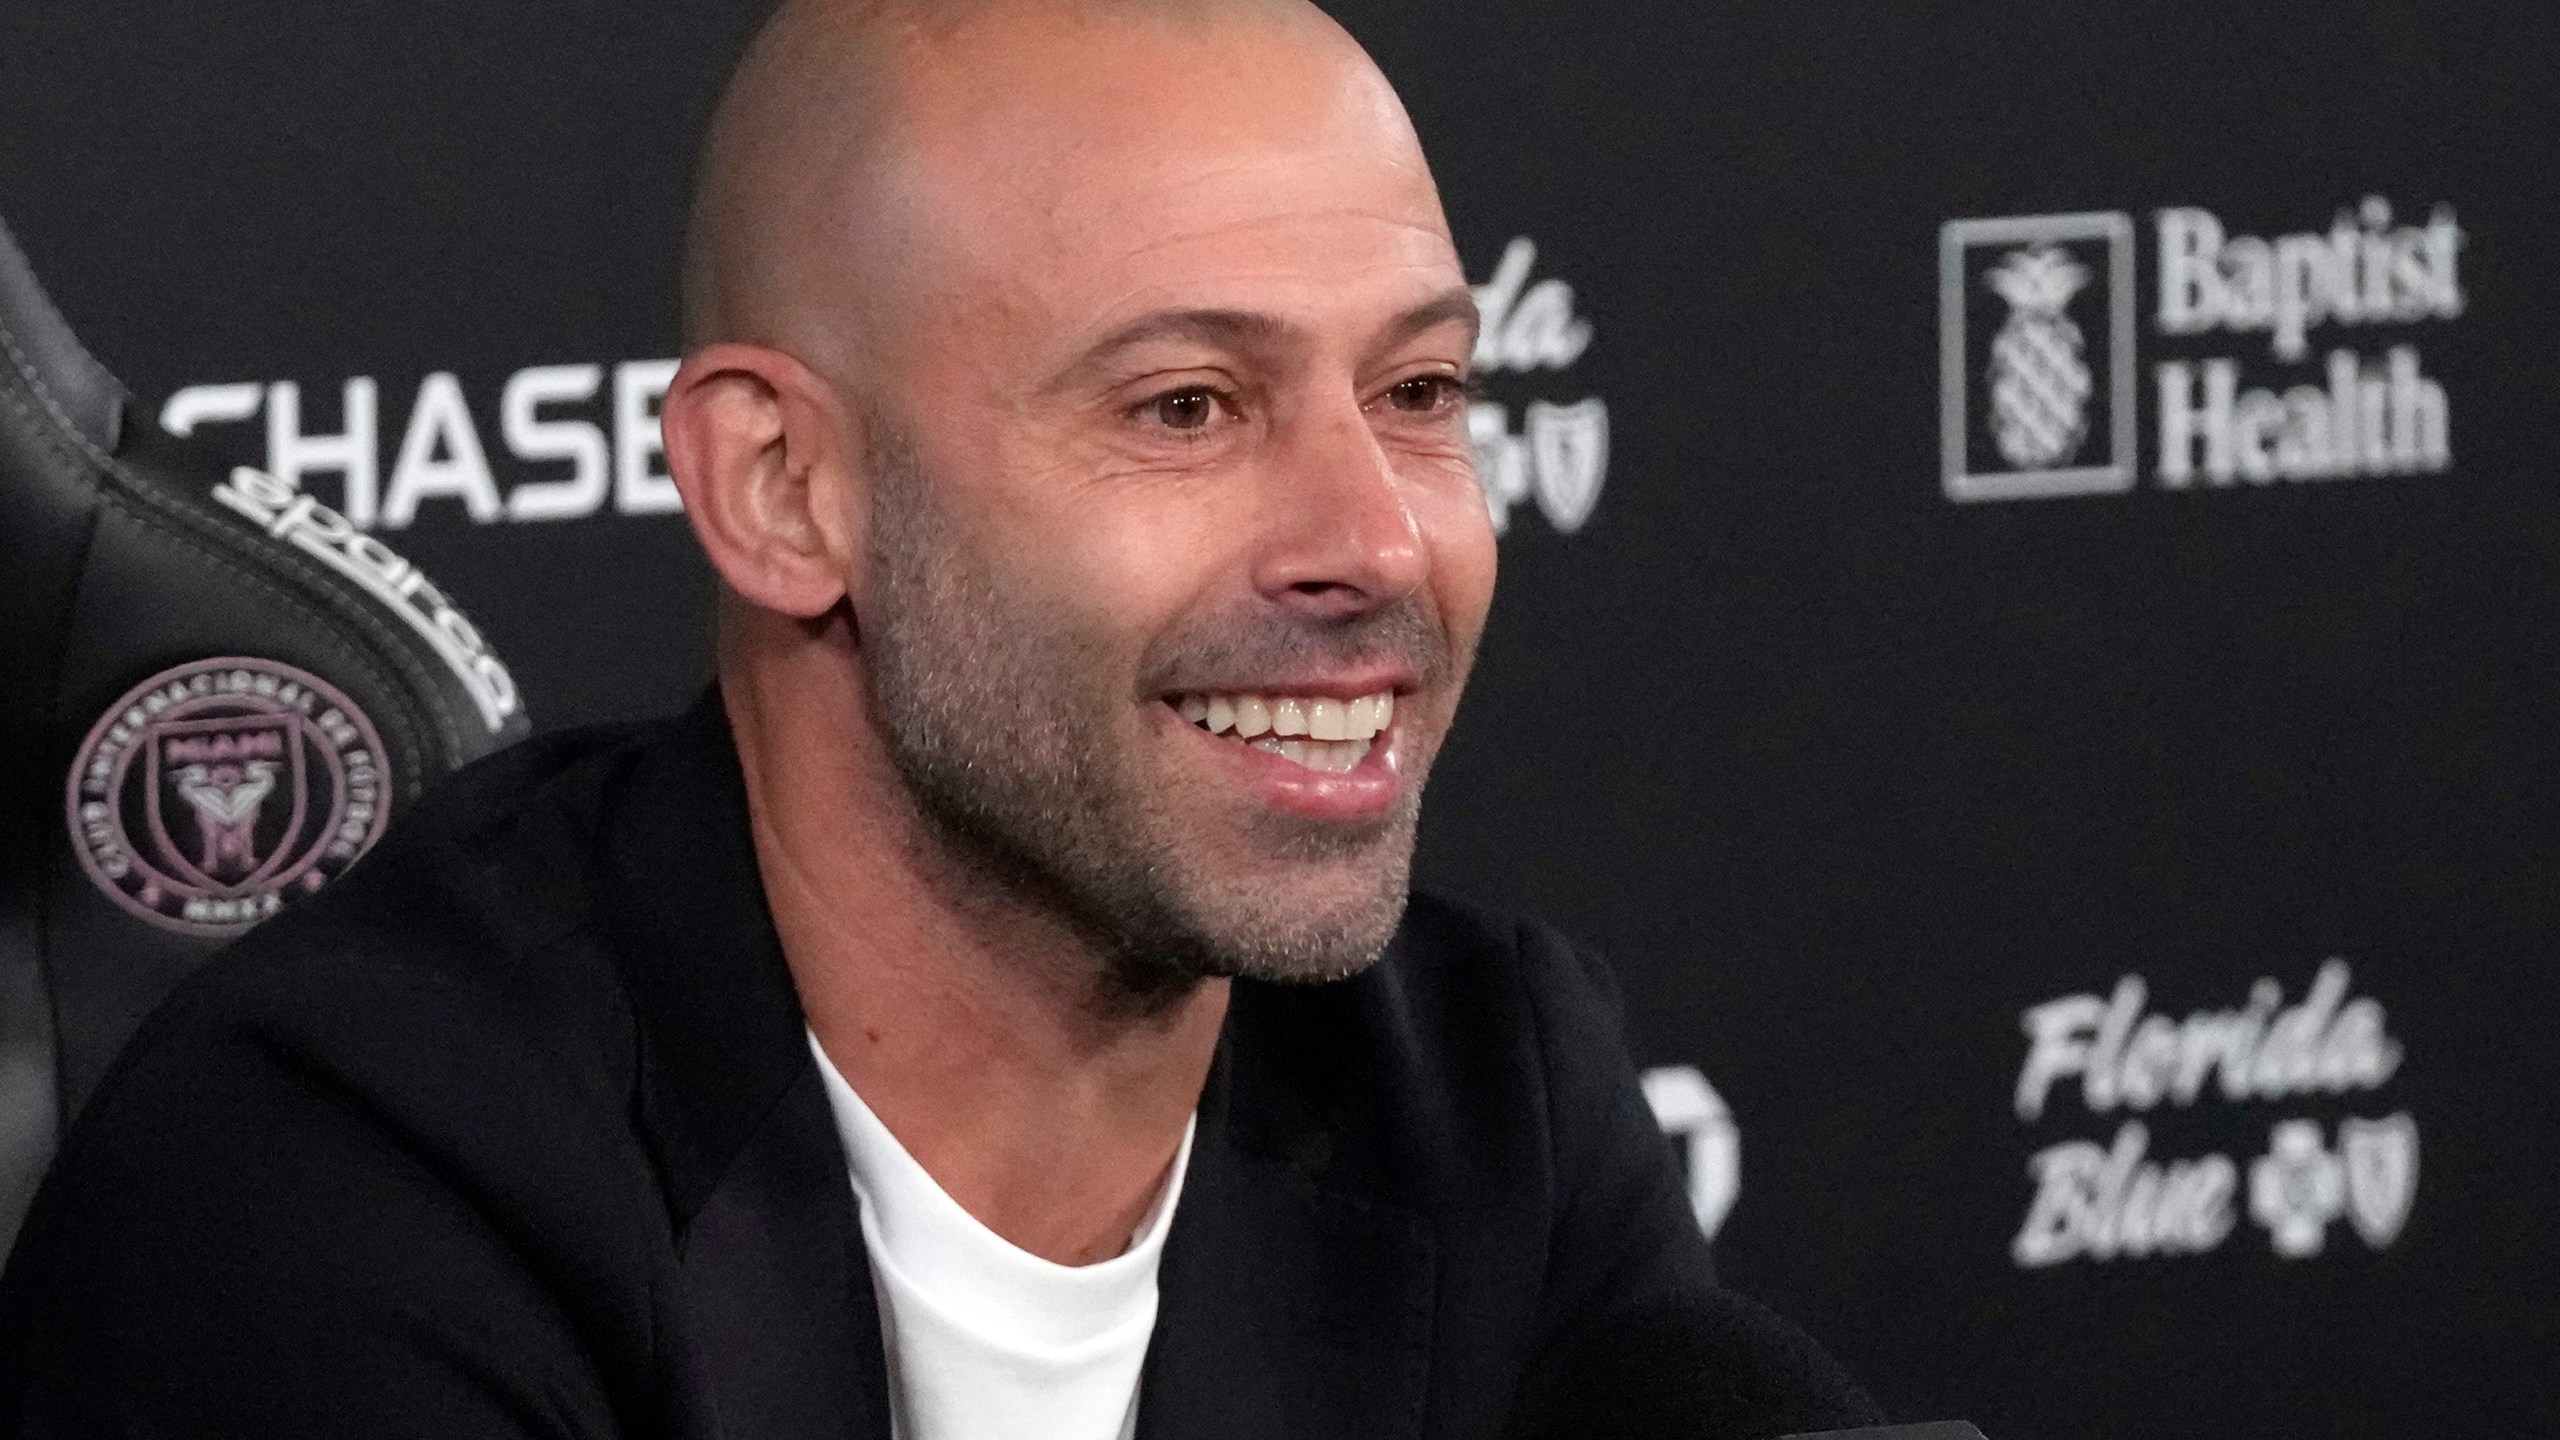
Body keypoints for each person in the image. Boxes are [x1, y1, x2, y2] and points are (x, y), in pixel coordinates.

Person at [0, 1, 1877, 1436]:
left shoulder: (1485, 1092)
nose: (1377, 539)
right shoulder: (343, 1189)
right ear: (785, 489)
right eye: (1185, 407)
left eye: (1422, 387)